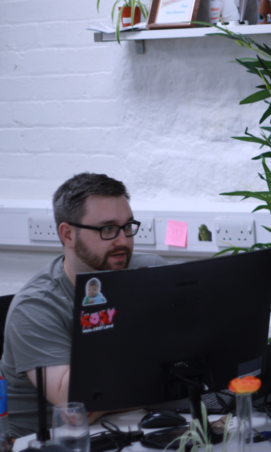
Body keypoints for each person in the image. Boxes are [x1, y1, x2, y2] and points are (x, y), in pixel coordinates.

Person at [0, 173, 168, 438]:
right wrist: (168, 370)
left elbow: (202, 355)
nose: (123, 241)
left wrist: (105, 396)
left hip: (132, 428)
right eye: (107, 229)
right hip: (45, 443)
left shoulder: (153, 271)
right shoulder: (34, 308)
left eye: (127, 226)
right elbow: (78, 405)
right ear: (68, 234)